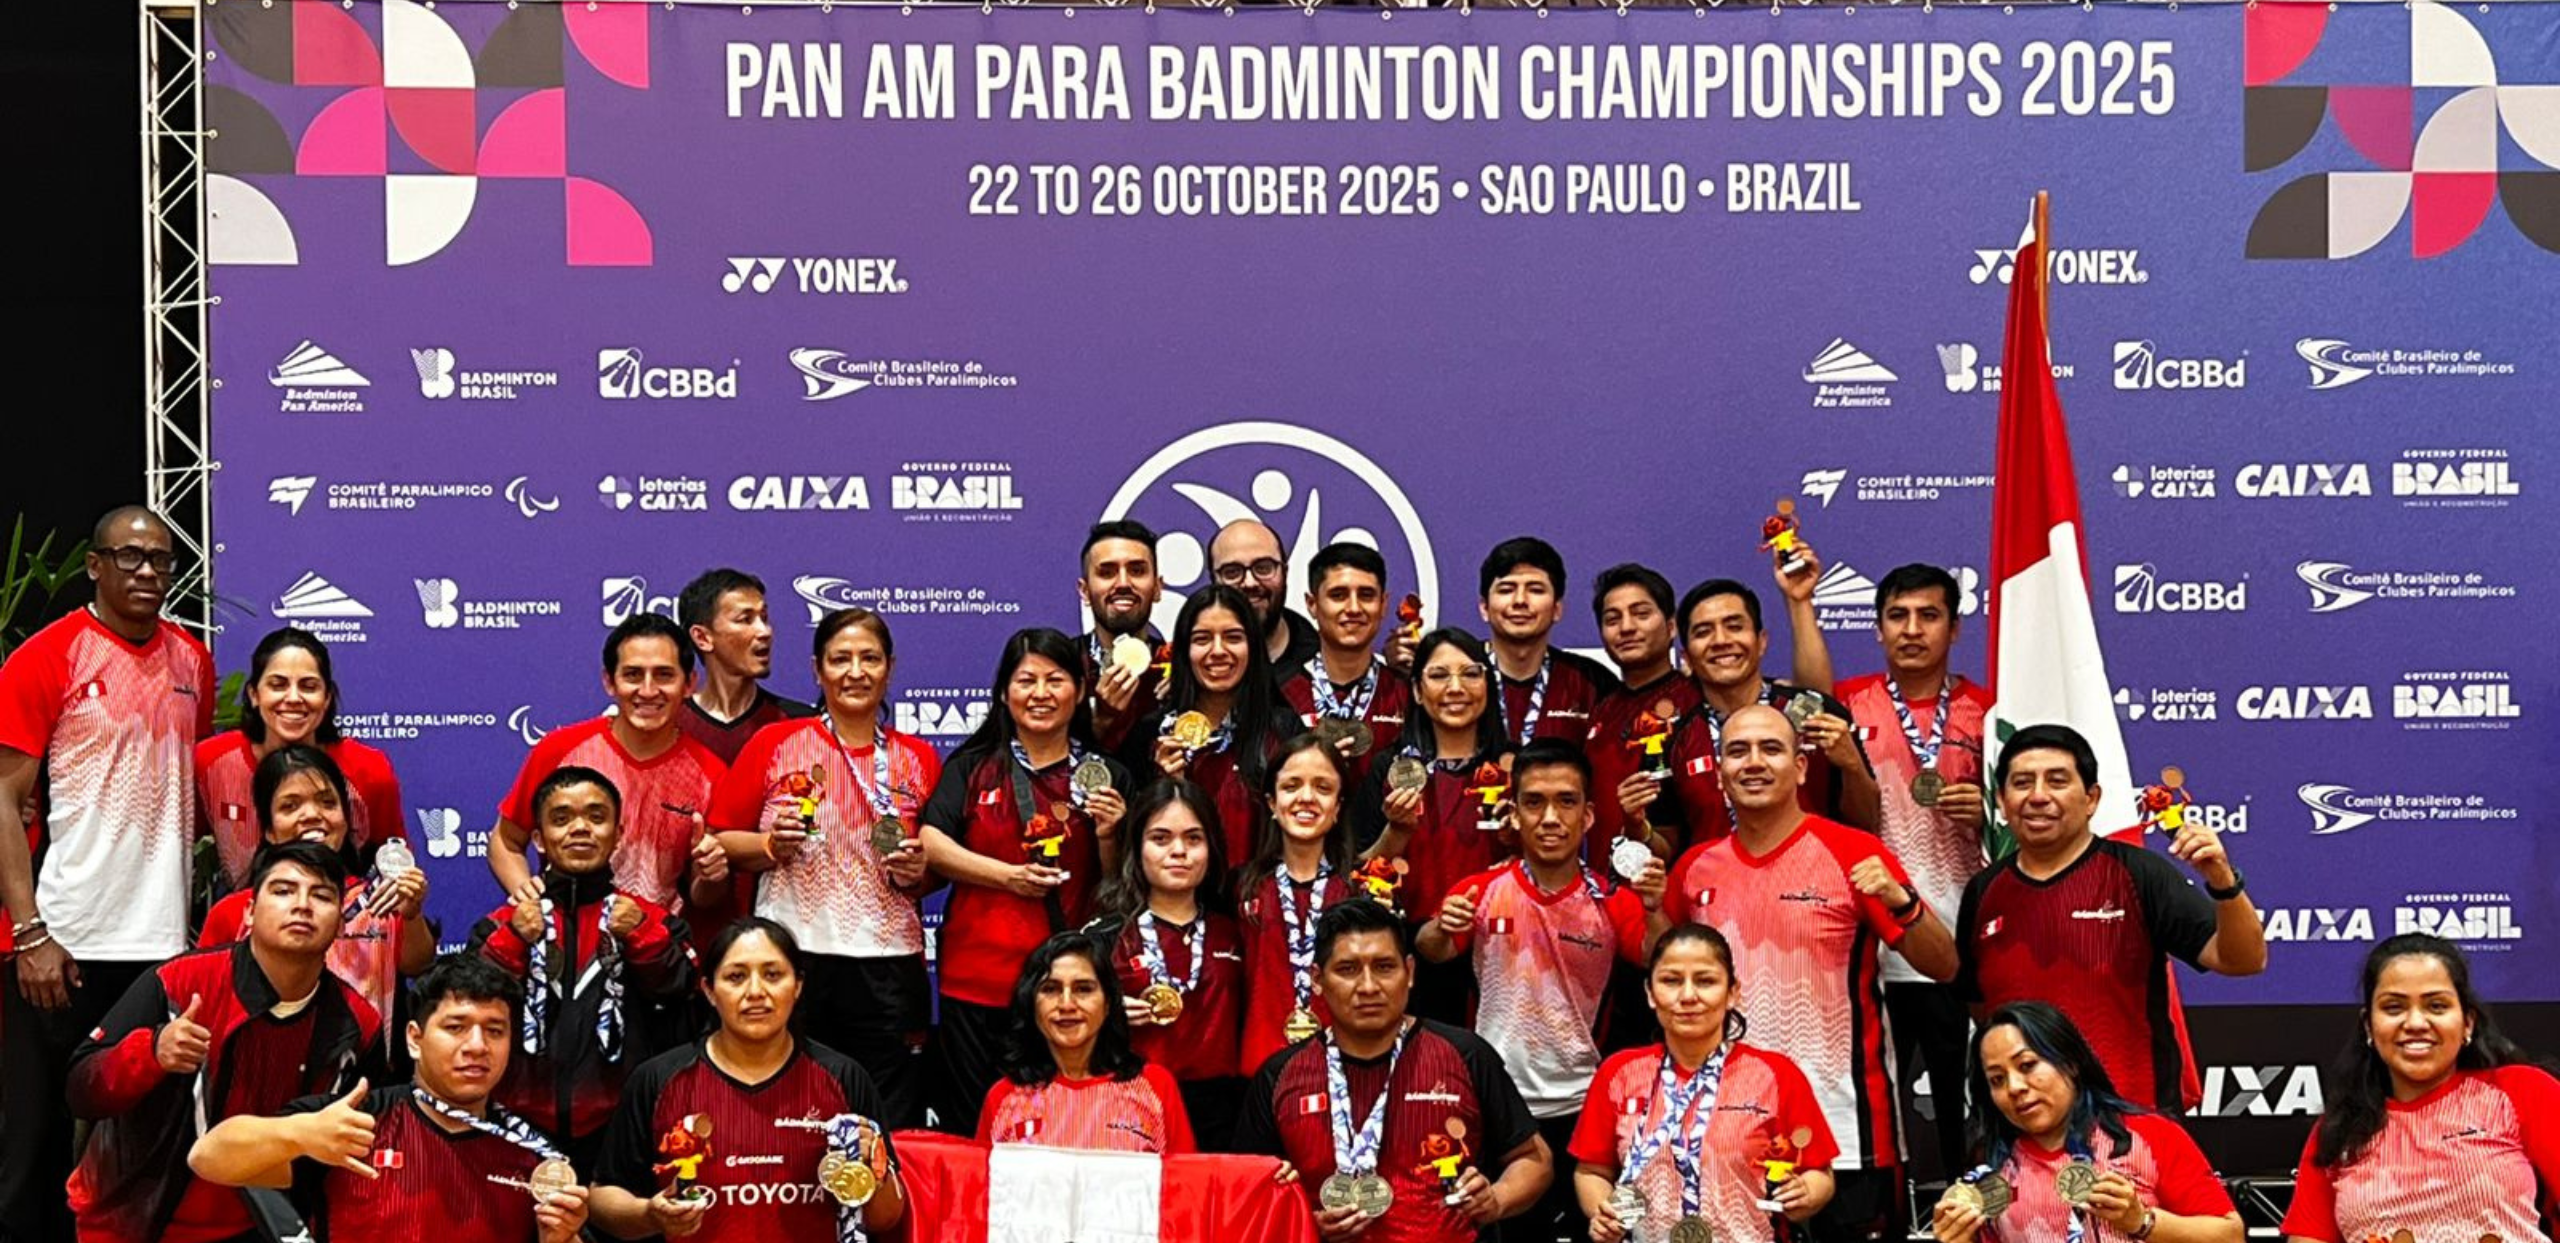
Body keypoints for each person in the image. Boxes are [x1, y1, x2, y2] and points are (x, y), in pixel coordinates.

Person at [1664, 705, 1959, 1243]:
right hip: (1729, 1137)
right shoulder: (1692, 870)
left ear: (1801, 767)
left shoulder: (1855, 852)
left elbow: (1943, 965)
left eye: (1771, 749)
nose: (1754, 763)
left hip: (1847, 1135)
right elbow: (1656, 971)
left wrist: (1903, 902)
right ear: (1720, 772)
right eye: (1737, 751)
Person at [0, 505, 215, 1241]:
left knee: (144, 1150)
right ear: (95, 565)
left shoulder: (193, 661)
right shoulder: (48, 656)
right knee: (31, 1147)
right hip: (62, 942)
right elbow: (5, 799)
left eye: (161, 560)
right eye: (130, 557)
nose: (148, 571)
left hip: (159, 948)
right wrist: (31, 934)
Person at [65, 840, 380, 1243]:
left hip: (265, 1223)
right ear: (249, 912)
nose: (302, 905)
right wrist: (151, 1052)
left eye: (321, 896)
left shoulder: (356, 1023)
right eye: (283, 891)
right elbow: (80, 1090)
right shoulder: (179, 983)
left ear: (339, 925)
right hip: (133, 1221)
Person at [1416, 739, 1667, 1243]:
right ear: (1513, 813)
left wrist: (1656, 908)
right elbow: (1431, 950)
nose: (1550, 817)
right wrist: (1442, 926)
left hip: (1581, 1108)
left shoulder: (1611, 900)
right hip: (1497, 1108)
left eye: (1566, 801)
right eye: (1534, 802)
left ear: (1588, 815)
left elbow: (1655, 958)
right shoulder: (1480, 891)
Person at [1955, 724, 2266, 1113]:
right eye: (2022, 783)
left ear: (2091, 799)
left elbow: (2243, 960)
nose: (2038, 796)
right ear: (2001, 801)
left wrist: (2223, 881)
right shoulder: (1984, 891)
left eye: (2057, 781)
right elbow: (1981, 1007)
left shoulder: (2138, 874)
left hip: (2131, 1123)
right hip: (2021, 1129)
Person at [707, 606, 938, 1127]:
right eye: (840, 659)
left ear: (890, 668)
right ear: (817, 670)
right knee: (791, 1108)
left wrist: (917, 872)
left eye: (869, 659)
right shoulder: (776, 743)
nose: (855, 672)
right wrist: (770, 845)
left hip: (888, 963)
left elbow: (936, 867)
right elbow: (720, 839)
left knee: (888, 1116)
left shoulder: (919, 758)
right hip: (794, 955)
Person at [186, 955, 591, 1243]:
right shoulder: (350, 1123)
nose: (477, 1046)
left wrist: (563, 1238)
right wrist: (301, 1134)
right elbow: (208, 1158)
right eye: (456, 1027)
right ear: (414, 1039)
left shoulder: (534, 1155)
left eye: (495, 1031)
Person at [1234, 899, 1551, 1243]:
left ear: (1410, 972)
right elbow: (1248, 1193)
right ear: (1317, 979)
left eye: (1384, 967)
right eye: (1347, 969)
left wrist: (1497, 1199)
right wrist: (1305, 1224)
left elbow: (1534, 1159)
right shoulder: (1279, 1075)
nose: (1368, 986)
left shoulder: (1466, 1054)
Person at [919, 627, 1131, 1137]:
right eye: (1026, 680)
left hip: (1065, 992)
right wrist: (1008, 877)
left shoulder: (1106, 776)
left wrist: (1108, 834)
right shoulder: (972, 767)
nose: (1040, 693)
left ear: (1080, 690)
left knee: (1062, 1128)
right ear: (1003, 693)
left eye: (1055, 680)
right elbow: (931, 842)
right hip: (976, 982)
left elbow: (1119, 889)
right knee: (975, 1128)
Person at [592, 918, 906, 1242]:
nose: (756, 992)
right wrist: (648, 1215)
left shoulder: (843, 1077)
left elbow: (887, 1218)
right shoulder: (658, 1080)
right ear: (709, 991)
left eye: (773, 975)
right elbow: (602, 1197)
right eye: (736, 977)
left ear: (797, 986)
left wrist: (873, 1170)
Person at [1833, 563, 1994, 1179]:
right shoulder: (1848, 703)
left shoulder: (1989, 711)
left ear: (1954, 627)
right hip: (1878, 942)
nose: (1912, 629)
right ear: (1877, 628)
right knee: (1880, 1105)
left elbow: (2026, 821)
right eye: (1897, 616)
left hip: (1966, 941)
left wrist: (1990, 813)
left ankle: (1978, 1208)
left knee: (1973, 1103)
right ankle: (1889, 1212)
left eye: (1929, 616)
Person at [470, 767, 696, 1164]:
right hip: (515, 1126)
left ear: (618, 833)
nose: (579, 829)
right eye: (561, 819)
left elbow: (682, 993)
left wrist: (643, 936)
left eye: (596, 817)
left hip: (623, 1126)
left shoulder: (652, 921)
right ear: (538, 838)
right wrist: (513, 940)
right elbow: (469, 1003)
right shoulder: (503, 924)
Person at [2281, 934, 2560, 1243]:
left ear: (2467, 1022)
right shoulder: (2341, 1128)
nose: (2415, 1023)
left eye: (2436, 1006)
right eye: (2393, 1007)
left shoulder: (2522, 1091)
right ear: (2368, 1026)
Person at [1573, 924, 1839, 1243]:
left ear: (1732, 993)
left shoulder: (1775, 1075)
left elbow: (1819, 1173)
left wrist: (1807, 1193)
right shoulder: (1619, 1073)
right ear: (1650, 993)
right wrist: (1603, 1214)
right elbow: (1592, 1171)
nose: (1688, 996)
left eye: (1705, 981)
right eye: (1671, 981)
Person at [489, 613, 732, 921]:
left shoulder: (711, 773)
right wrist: (526, 895)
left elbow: (703, 896)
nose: (648, 690)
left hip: (656, 942)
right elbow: (505, 840)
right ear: (609, 682)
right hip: (563, 937)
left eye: (664, 675)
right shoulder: (559, 749)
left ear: (689, 684)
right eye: (632, 675)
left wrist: (711, 876)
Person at [1930, 1002, 2239, 1243]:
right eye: (1997, 1079)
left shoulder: (2149, 1135)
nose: (2014, 1087)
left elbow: (2231, 1236)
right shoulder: (1989, 1167)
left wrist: (2141, 1222)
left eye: (2027, 1065)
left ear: (2070, 1062)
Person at [197, 744, 433, 1036]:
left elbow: (416, 964)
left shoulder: (380, 899)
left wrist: (411, 915)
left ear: (345, 820)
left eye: (327, 803)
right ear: (269, 830)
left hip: (364, 1061)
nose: (311, 814)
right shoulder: (231, 912)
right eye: (290, 806)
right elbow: (204, 998)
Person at [1649, 579, 1876, 847]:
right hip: (1716, 873)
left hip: (1818, 872)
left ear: (1762, 642)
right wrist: (1638, 828)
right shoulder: (1672, 740)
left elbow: (1869, 822)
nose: (1721, 640)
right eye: (1703, 632)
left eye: (1734, 626)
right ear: (1686, 657)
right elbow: (1668, 848)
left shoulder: (1819, 715)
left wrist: (1852, 765)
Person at [1090, 779, 1246, 1150]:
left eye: (1193, 839)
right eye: (1160, 839)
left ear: (1211, 849)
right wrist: (1103, 1012)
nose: (1179, 851)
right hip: (1129, 1105)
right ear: (1137, 847)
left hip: (1221, 1111)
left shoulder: (1236, 929)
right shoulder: (1106, 936)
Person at [195, 626, 404, 891]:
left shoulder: (369, 769)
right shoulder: (210, 762)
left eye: (309, 686)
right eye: (278, 685)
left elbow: (395, 866)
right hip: (243, 913)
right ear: (254, 694)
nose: (293, 698)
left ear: (327, 698)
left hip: (343, 914)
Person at [1123, 584, 1300, 868]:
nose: (1218, 651)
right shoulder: (1151, 735)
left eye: (1233, 637)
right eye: (1202, 639)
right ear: (1184, 650)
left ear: (1253, 647)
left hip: (1263, 891)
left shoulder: (1284, 731)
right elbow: (1131, 847)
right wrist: (1166, 788)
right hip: (1179, 891)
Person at [978, 932, 1197, 1153]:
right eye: (1050, 989)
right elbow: (980, 1175)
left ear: (1108, 1003)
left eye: (1083, 989)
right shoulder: (1003, 1097)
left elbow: (1185, 1174)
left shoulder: (1155, 1087)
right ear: (1031, 1003)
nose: (1066, 1005)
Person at [1234, 734, 1360, 1081]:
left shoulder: (1360, 889)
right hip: (1258, 1072)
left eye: (1323, 787)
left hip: (1344, 1069)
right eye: (1291, 786)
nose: (1306, 797)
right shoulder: (1240, 887)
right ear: (1272, 803)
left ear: (1338, 807)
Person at [1584, 564, 1702, 864]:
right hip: (1603, 881)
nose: (1626, 627)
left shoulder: (1698, 700)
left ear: (1671, 626)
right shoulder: (1601, 710)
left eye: (1641, 614)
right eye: (1613, 619)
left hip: (1678, 880)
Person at [1279, 541, 1414, 785]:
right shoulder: (1279, 692)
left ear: (1383, 604)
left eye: (1366, 595)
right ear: (1312, 604)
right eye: (1338, 595)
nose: (1353, 608)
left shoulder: (1407, 695)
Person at [1476, 537, 1621, 748]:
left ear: (1557, 609)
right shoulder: (1453, 675)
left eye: (1535, 590)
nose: (1520, 601)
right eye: (1506, 590)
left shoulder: (1593, 682)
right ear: (1484, 608)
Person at [674, 569, 814, 765]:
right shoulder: (671, 725)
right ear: (702, 638)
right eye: (745, 620)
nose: (764, 632)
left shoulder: (801, 724)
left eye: (764, 618)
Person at [1076, 520, 1168, 752]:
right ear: (1085, 591)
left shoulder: (1178, 666)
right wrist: (1100, 721)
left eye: (1137, 571)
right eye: (1107, 573)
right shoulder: (1062, 667)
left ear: (1157, 588)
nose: (1123, 583)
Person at [1209, 519, 1321, 672]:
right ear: (1213, 580)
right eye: (1232, 572)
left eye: (1263, 568)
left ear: (1285, 573)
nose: (1250, 583)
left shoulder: (1324, 664)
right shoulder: (1189, 666)